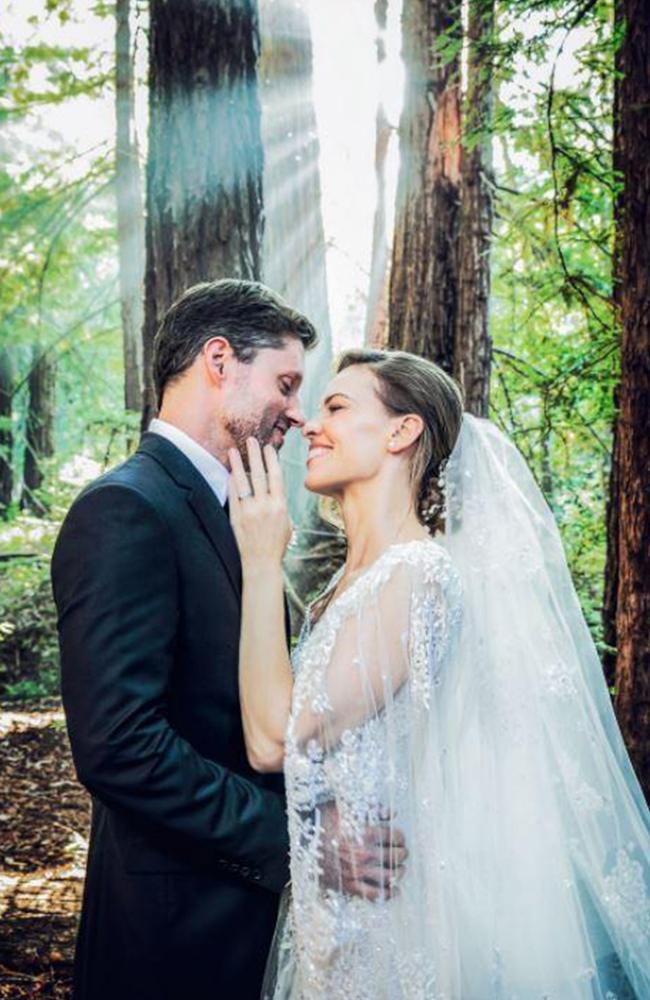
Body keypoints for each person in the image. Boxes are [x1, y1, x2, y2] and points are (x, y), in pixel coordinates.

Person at [229, 347, 650, 1000]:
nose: (312, 424)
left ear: (402, 431)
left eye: (338, 407)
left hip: (389, 938)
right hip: (336, 926)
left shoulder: (417, 577)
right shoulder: (350, 584)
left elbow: (273, 740)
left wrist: (259, 560)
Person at [51, 282, 406, 1000]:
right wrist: (299, 842)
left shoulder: (243, 517)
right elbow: (121, 747)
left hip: (247, 927)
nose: (297, 414)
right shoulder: (126, 508)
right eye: (284, 384)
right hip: (172, 935)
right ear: (220, 361)